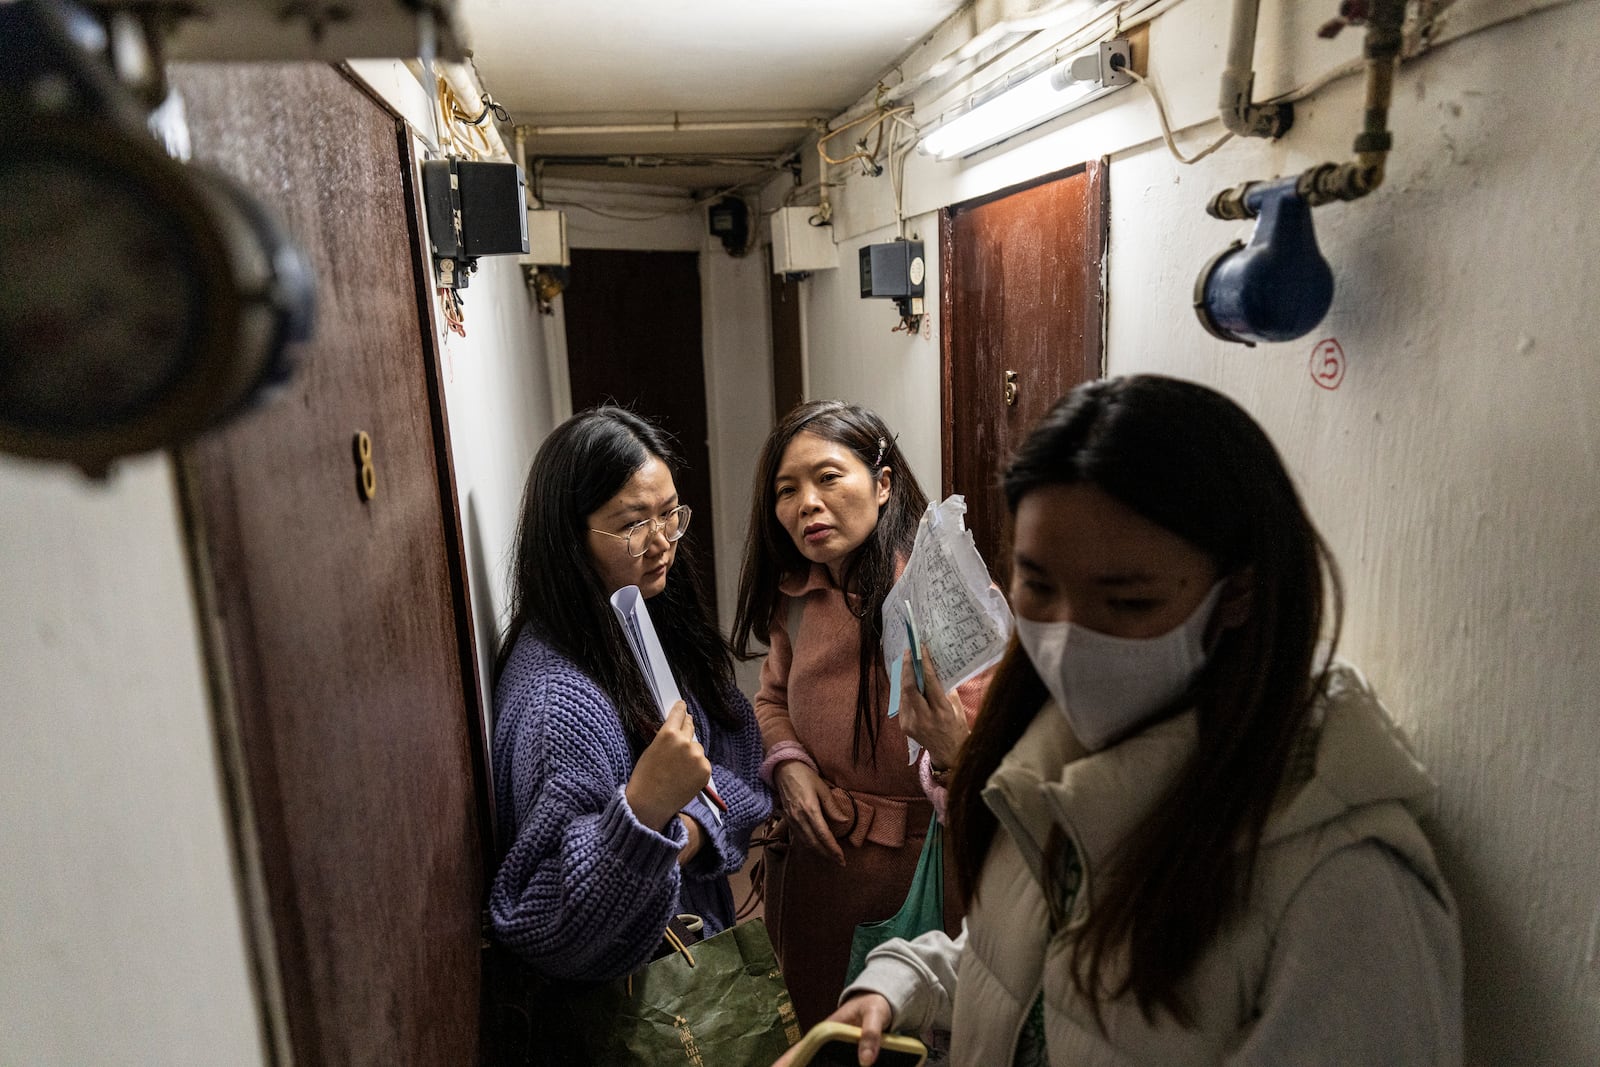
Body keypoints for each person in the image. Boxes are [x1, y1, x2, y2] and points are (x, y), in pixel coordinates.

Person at [791, 375, 1461, 1066]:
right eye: (1039, 586)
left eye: (1128, 601)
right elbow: (1025, 968)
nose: (1067, 638)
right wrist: (902, 985)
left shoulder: (1341, 889)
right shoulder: (1046, 760)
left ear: (1237, 595)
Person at [488, 406, 770, 985]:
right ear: (569, 536)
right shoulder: (560, 701)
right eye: (633, 523)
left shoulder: (644, 612)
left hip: (694, 959)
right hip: (633, 1008)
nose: (662, 541)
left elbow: (738, 744)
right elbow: (542, 922)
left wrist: (689, 826)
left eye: (671, 513)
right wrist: (645, 813)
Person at [732, 400, 988, 1029]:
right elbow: (770, 699)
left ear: (882, 483)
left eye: (827, 477)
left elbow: (998, 763)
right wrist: (789, 765)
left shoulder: (938, 592)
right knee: (820, 1031)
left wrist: (953, 751)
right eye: (786, 491)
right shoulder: (797, 596)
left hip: (913, 882)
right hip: (816, 871)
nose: (806, 505)